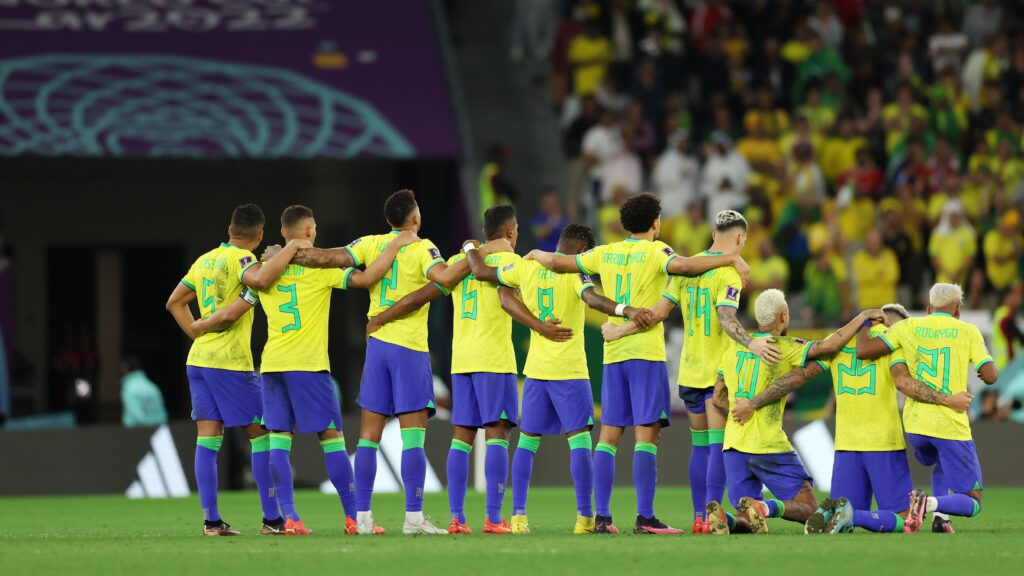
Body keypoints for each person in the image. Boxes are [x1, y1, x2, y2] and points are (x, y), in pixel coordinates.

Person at [524, 193, 750, 535]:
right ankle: (645, 518)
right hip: (645, 354)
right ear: (655, 223)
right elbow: (686, 267)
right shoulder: (658, 252)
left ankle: (602, 518)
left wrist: (535, 253)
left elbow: (558, 263)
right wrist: (733, 258)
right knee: (647, 436)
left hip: (614, 354)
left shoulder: (606, 252)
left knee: (608, 437)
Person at [193, 206, 416, 536]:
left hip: (272, 368)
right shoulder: (321, 270)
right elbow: (368, 278)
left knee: (279, 442)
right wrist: (395, 245)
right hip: (309, 367)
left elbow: (232, 311)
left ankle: (290, 519)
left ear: (282, 233)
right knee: (332, 439)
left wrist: (201, 325)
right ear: (311, 232)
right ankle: (353, 518)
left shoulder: (266, 272)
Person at [270, 189, 476, 535]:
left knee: (368, 437)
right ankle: (413, 518)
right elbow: (443, 278)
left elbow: (327, 258)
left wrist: (286, 253)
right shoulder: (423, 247)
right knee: (413, 437)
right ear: (415, 218)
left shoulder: (370, 243)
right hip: (409, 348)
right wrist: (473, 255)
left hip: (377, 346)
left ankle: (363, 517)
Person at [362, 206, 543, 535]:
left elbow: (420, 296)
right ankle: (493, 518)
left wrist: (381, 317)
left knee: (462, 437)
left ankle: (457, 519)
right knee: (498, 433)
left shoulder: (459, 264)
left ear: (484, 232)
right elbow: (511, 298)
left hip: (461, 363)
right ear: (511, 231)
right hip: (494, 359)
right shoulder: (510, 262)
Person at [601, 210, 780, 534]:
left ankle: (699, 516)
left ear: (713, 235)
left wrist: (619, 331)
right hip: (717, 374)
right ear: (740, 238)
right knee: (715, 446)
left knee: (699, 446)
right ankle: (711, 517)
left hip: (688, 371)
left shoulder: (686, 267)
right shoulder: (728, 273)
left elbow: (657, 312)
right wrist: (751, 342)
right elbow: (726, 318)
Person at [734, 303, 972, 534]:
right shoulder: (894, 344)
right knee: (906, 518)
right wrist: (947, 400)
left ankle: (825, 513)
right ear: (894, 325)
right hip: (883, 444)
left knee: (837, 518)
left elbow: (799, 376)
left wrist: (753, 402)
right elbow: (904, 382)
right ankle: (854, 517)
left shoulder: (839, 342)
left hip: (846, 447)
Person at [466, 224, 633, 535]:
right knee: (579, 442)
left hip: (536, 372)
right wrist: (625, 310)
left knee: (527, 443)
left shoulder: (526, 267)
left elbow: (485, 275)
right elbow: (593, 300)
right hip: (570, 371)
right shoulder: (575, 272)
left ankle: (518, 517)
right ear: (582, 251)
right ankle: (585, 518)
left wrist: (469, 248)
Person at [704, 289, 879, 535]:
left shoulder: (733, 349)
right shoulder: (783, 347)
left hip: (733, 446)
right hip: (767, 444)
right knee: (811, 509)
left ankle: (729, 520)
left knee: (748, 517)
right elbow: (829, 345)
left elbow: (717, 397)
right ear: (784, 316)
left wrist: (737, 411)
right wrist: (862, 317)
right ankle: (767, 507)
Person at [164, 204, 284, 536]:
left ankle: (212, 522)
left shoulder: (204, 260)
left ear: (230, 230)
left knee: (208, 438)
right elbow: (258, 281)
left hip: (198, 361)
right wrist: (277, 259)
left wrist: (196, 334)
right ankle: (273, 520)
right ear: (259, 235)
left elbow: (174, 302)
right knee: (261, 434)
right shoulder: (243, 259)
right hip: (229, 362)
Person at [856, 283, 999, 533]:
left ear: (929, 308)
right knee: (974, 500)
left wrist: (866, 322)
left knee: (942, 461)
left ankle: (941, 519)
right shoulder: (968, 331)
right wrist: (981, 369)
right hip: (950, 425)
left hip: (916, 426)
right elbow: (990, 376)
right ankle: (929, 503)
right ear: (958, 309)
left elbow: (864, 350)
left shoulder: (907, 327)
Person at [652, 129, 699, 219]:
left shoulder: (691, 160)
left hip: (687, 204)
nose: (684, 145)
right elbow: (659, 180)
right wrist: (679, 175)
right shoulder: (666, 159)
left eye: (686, 142)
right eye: (682, 142)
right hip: (671, 202)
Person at [852, 229, 900, 309]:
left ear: (881, 243)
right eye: (872, 244)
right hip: (866, 306)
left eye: (877, 243)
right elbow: (861, 278)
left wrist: (871, 276)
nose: (875, 247)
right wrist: (880, 274)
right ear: (866, 244)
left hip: (887, 305)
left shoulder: (889, 255)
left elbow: (893, 276)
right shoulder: (858, 258)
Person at [120, 356, 167, 428]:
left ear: (125, 369)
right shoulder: (153, 387)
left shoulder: (129, 389)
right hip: (158, 430)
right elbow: (162, 415)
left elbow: (136, 416)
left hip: (136, 431)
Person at [983, 210, 1022, 292]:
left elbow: (1019, 252)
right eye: (1010, 226)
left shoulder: (1016, 237)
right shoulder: (992, 236)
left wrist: (1014, 238)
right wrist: (1012, 255)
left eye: (1015, 227)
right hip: (995, 284)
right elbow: (996, 259)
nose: (1012, 229)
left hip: (1012, 282)